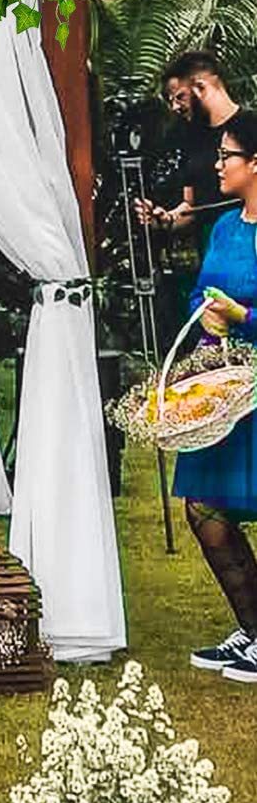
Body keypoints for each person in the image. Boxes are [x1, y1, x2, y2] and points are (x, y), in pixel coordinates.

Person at [179, 109, 257, 684]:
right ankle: (252, 629)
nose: (218, 164)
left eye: (227, 155)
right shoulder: (226, 227)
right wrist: (207, 320)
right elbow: (199, 296)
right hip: (222, 386)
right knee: (203, 504)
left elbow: (243, 310)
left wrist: (246, 317)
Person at [136, 51, 243, 249]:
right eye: (170, 101)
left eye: (180, 97)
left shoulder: (251, 126)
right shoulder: (189, 137)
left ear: (202, 86)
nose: (175, 107)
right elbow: (191, 206)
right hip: (211, 258)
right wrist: (166, 219)